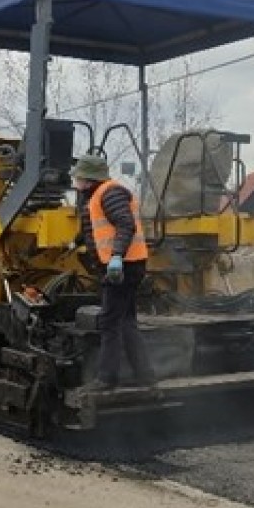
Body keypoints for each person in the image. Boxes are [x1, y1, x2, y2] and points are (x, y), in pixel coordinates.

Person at [70, 154, 156, 392]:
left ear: (88, 178)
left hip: (123, 266)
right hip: (127, 264)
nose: (75, 181)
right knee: (126, 321)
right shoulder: (96, 195)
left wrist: (116, 256)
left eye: (78, 177)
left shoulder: (110, 192)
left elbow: (125, 224)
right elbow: (98, 227)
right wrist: (75, 241)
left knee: (109, 321)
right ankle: (146, 377)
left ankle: (107, 379)